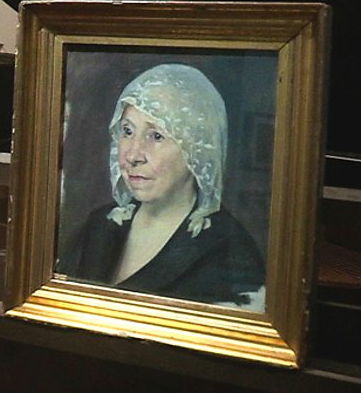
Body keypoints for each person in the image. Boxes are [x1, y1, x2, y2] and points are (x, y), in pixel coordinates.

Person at [56, 63, 265, 308]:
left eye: (156, 136)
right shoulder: (98, 227)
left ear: (196, 150)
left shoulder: (229, 252)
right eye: (127, 131)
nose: (133, 155)